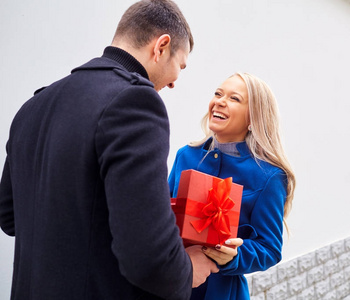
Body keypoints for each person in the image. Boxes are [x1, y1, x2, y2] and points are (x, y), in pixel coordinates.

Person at [0, 1, 218, 299]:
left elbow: (10, 217)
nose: (174, 83)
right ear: (161, 47)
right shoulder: (135, 102)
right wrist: (187, 270)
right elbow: (148, 256)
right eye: (179, 66)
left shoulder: (32, 107)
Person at [168, 72, 296, 299]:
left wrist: (234, 256)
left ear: (253, 118)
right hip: (169, 282)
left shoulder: (269, 176)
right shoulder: (185, 156)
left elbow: (270, 249)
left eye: (234, 98)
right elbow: (162, 215)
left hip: (220, 292)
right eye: (218, 94)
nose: (220, 101)